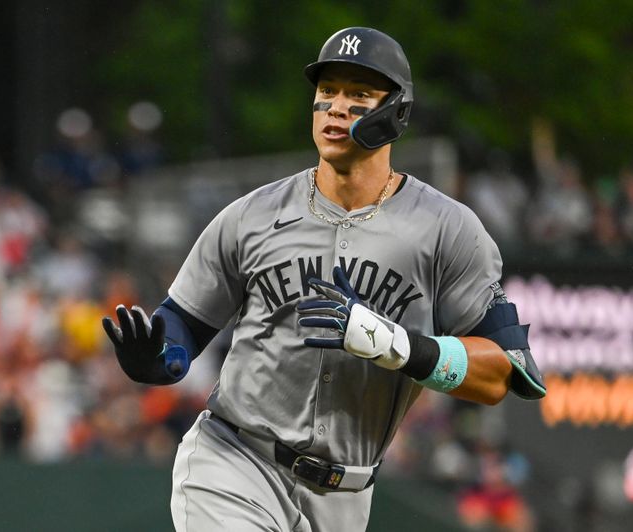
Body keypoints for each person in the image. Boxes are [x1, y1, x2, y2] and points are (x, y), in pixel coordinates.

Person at [102, 27, 546, 532]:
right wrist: (157, 359)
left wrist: (399, 347)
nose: (336, 107)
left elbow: (506, 373)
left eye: (358, 95)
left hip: (346, 495)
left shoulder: (448, 230)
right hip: (235, 463)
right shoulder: (251, 215)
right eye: (327, 92)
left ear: (397, 112)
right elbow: (182, 323)